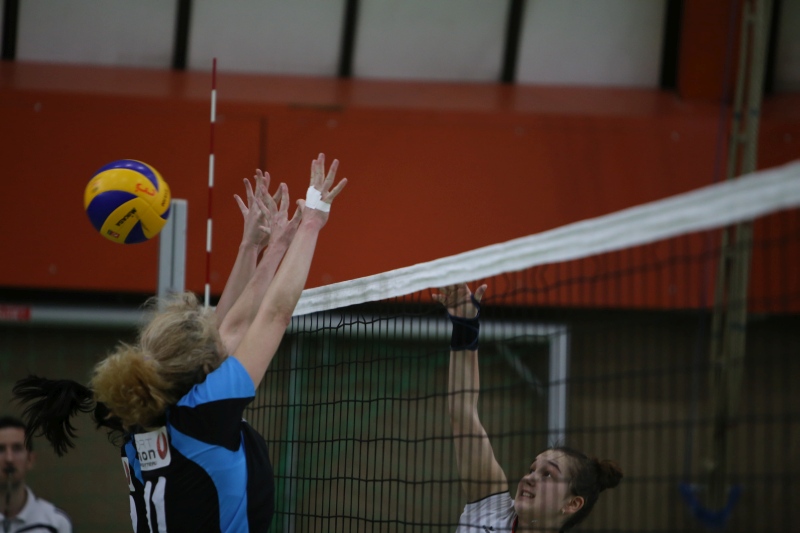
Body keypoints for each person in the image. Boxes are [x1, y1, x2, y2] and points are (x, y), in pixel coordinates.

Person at [12, 153, 347, 532]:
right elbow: (271, 316)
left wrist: (256, 248)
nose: (215, 325)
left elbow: (231, 327)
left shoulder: (148, 418)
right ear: (201, 366)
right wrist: (311, 223)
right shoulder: (203, 415)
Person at [433, 283, 622, 532]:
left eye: (548, 474)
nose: (530, 478)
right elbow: (463, 411)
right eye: (533, 469)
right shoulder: (491, 508)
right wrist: (465, 325)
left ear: (572, 503)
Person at [0, 415, 72, 533]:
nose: (9, 458)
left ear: (30, 459)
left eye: (17, 448)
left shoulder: (55, 523)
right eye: (0, 449)